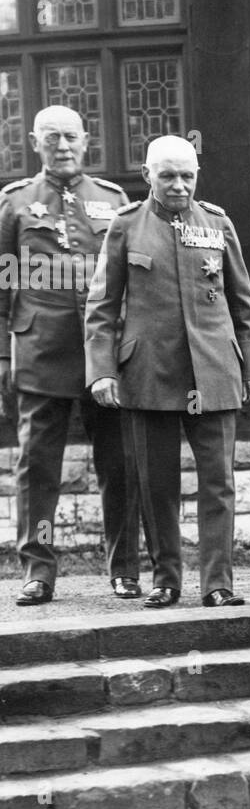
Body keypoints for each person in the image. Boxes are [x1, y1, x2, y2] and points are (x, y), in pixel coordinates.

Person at [85, 137, 250, 609]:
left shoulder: (218, 223)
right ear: (148, 177)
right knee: (156, 484)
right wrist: (102, 371)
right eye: (168, 176)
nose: (179, 185)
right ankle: (167, 580)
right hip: (150, 372)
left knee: (219, 483)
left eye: (187, 175)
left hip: (215, 371)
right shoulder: (125, 227)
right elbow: (101, 306)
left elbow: (244, 305)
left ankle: (218, 584)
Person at [0, 106, 143, 605]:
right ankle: (37, 570)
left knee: (122, 465)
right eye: (51, 139)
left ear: (86, 141)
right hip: (41, 352)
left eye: (70, 138)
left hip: (105, 355)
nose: (62, 146)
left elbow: (130, 282)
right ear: (35, 144)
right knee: (38, 468)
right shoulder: (15, 202)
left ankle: (124, 568)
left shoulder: (113, 200)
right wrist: (5, 357)